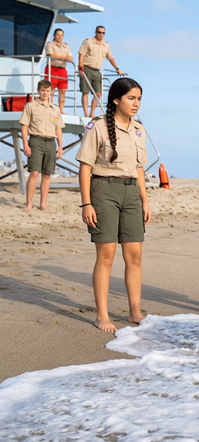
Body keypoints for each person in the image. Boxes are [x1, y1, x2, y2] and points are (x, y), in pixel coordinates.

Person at [75, 78, 150, 332]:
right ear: (116, 100)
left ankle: (134, 312)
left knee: (135, 256)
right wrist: (86, 203)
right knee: (106, 256)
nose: (136, 103)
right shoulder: (97, 127)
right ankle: (102, 316)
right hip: (103, 190)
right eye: (131, 98)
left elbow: (139, 168)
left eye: (139, 98)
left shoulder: (139, 129)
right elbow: (85, 167)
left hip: (131, 194)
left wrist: (145, 201)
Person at [19, 79, 64, 211]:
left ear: (52, 92)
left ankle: (43, 204)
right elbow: (24, 127)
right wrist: (25, 145)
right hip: (36, 141)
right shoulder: (30, 106)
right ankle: (28, 204)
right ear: (38, 91)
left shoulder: (55, 109)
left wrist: (60, 146)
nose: (45, 93)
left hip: (50, 142)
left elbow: (58, 129)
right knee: (34, 173)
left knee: (47, 174)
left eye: (48, 91)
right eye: (43, 90)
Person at [78, 25, 124, 118]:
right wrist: (80, 67)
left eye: (103, 33)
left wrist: (117, 68)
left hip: (97, 70)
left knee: (98, 93)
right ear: (95, 32)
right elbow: (81, 54)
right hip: (86, 68)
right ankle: (86, 114)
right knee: (85, 92)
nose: (101, 34)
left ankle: (92, 113)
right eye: (99, 32)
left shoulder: (105, 45)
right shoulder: (88, 42)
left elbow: (110, 57)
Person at [44, 28, 72, 114]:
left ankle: (61, 110)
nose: (60, 37)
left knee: (63, 90)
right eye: (58, 35)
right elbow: (51, 54)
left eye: (61, 35)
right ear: (54, 35)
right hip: (52, 68)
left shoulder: (66, 46)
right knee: (50, 89)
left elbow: (70, 57)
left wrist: (68, 58)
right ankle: (49, 107)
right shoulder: (50, 44)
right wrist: (64, 58)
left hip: (62, 69)